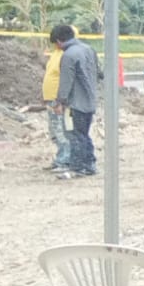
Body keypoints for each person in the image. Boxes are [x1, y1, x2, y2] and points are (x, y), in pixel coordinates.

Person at [50, 23, 100, 178]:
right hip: (90, 100)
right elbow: (100, 73)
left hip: (75, 103)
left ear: (59, 41)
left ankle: (78, 167)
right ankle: (89, 164)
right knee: (84, 134)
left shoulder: (69, 55)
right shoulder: (89, 49)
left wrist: (59, 102)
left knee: (74, 134)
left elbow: (66, 82)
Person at [41, 33, 72, 176]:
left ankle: (65, 161)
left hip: (58, 100)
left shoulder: (65, 56)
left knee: (62, 132)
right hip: (51, 100)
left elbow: (65, 80)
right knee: (54, 132)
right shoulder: (55, 54)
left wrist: (61, 101)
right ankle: (61, 158)